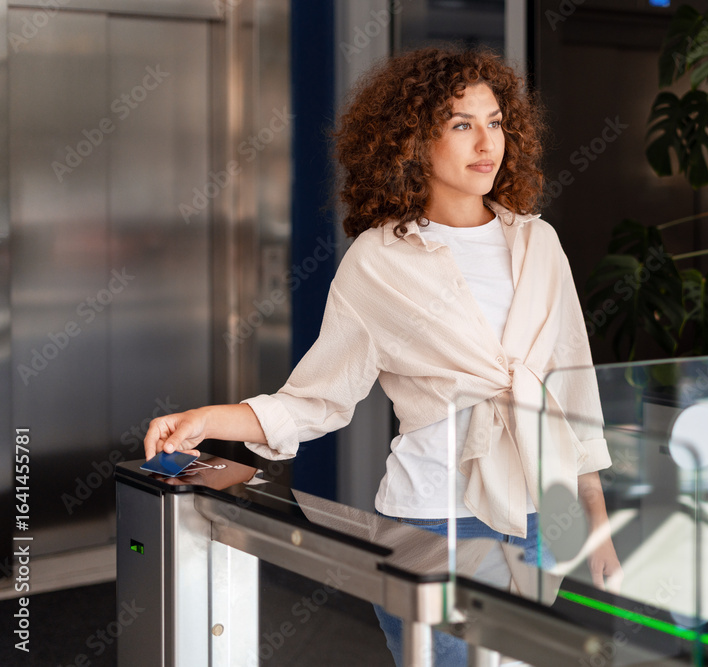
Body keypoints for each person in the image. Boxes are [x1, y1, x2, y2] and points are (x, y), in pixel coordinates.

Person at [144, 46, 621, 666]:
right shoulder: (379, 260)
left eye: (496, 121)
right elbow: (314, 400)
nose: (487, 142)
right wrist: (210, 421)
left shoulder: (539, 242)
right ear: (413, 141)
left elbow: (572, 391)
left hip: (540, 512)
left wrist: (597, 520)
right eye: (461, 124)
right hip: (433, 521)